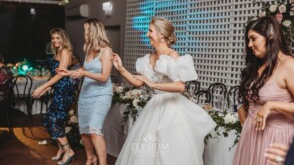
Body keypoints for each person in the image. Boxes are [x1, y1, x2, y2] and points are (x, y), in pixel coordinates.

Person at [112, 17, 216, 165]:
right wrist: (121, 69)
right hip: (154, 108)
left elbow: (180, 86)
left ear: (161, 34)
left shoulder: (173, 56)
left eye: (150, 31)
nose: (147, 34)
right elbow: (138, 82)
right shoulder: (149, 57)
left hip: (172, 109)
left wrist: (153, 85)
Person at [233, 15, 294, 165]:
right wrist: (244, 110)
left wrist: (271, 105)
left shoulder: (290, 66)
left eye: (253, 38)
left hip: (275, 139)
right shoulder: (259, 65)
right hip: (252, 137)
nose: (249, 44)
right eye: (248, 40)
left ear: (270, 35)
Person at [57, 18, 113, 165]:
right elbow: (84, 70)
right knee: (84, 131)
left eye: (86, 30)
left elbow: (104, 76)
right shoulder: (88, 50)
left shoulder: (106, 51)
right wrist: (68, 72)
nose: (84, 33)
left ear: (94, 31)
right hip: (86, 93)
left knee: (94, 129)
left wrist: (84, 73)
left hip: (101, 94)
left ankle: (103, 163)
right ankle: (90, 158)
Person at [32, 28, 75, 165]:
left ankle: (68, 151)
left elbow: (61, 74)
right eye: (53, 38)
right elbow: (54, 75)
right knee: (50, 119)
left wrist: (43, 86)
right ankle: (61, 150)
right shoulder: (57, 51)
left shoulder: (65, 51)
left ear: (63, 38)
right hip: (58, 89)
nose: (55, 41)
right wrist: (48, 87)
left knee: (54, 121)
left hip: (64, 90)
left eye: (58, 38)